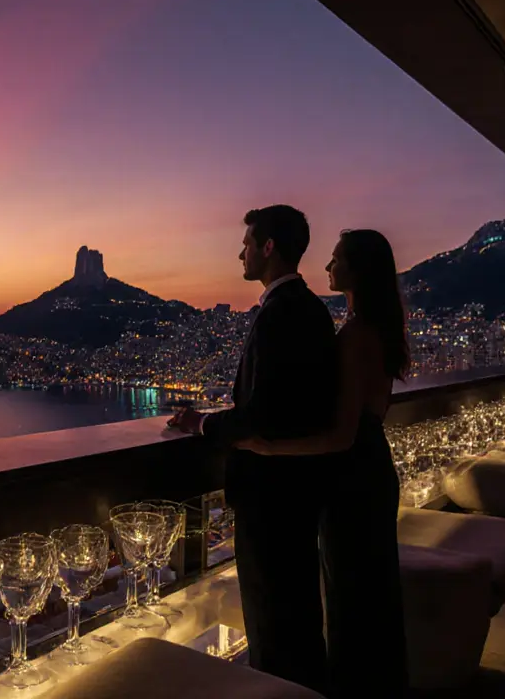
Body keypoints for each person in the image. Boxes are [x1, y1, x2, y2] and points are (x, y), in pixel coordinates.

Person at [169, 205, 339, 693]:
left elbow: (262, 417)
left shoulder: (277, 315)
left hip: (270, 499)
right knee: (299, 618)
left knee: (272, 625)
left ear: (268, 248)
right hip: (302, 493)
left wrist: (200, 422)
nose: (239, 252)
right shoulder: (312, 310)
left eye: (246, 243)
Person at [237, 228, 410, 697]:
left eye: (336, 260)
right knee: (369, 597)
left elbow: (340, 436)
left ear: (356, 270)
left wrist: (268, 447)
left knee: (353, 600)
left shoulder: (356, 335)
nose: (328, 268)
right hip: (371, 470)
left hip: (352, 479)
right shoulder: (375, 328)